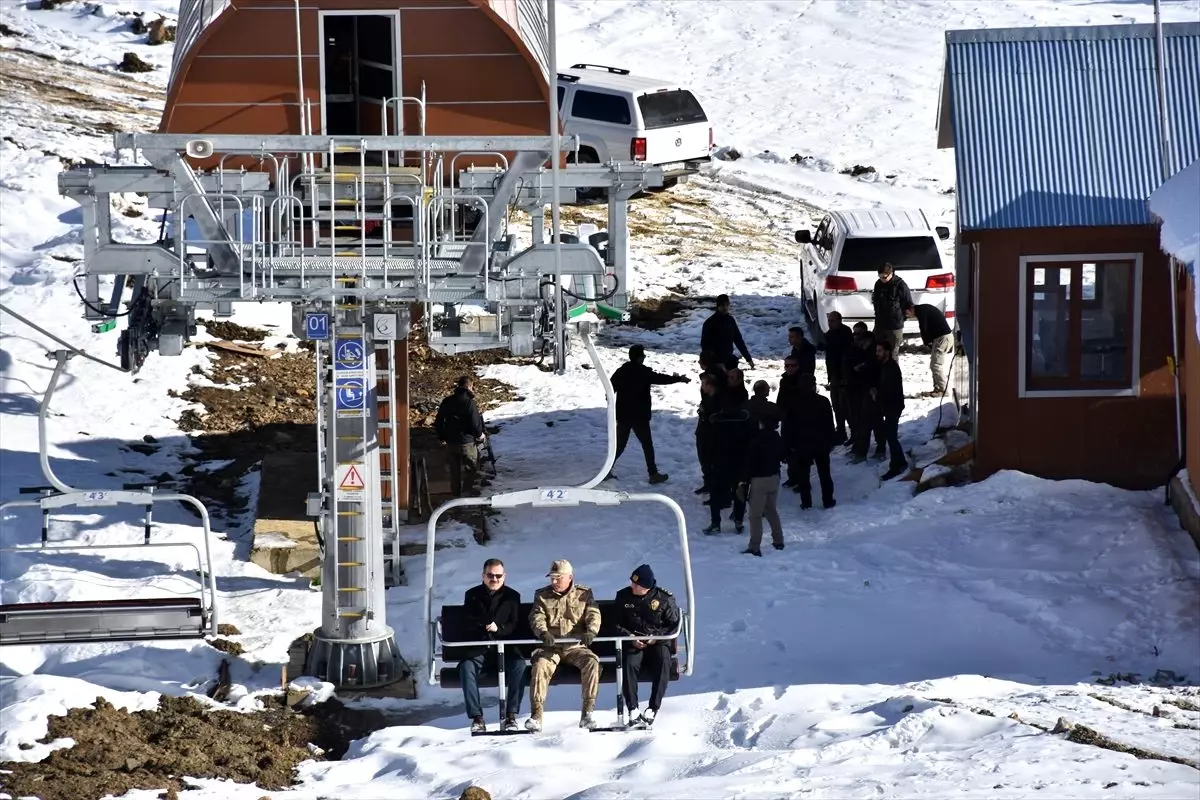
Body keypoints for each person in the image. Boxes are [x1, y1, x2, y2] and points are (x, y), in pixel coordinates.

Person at [526, 560, 601, 731]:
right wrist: (543, 632)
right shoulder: (542, 595)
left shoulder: (584, 594)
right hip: (551, 647)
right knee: (539, 665)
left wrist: (591, 631)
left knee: (592, 662)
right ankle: (536, 715)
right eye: (552, 578)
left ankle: (587, 713)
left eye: (558, 578)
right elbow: (536, 616)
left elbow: (593, 614)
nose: (553, 582)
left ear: (570, 577)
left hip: (576, 647)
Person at [458, 559, 528, 733]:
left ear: (504, 576)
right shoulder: (472, 595)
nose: (494, 579)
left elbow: (515, 624)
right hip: (481, 648)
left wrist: (500, 628)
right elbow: (468, 621)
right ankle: (477, 718)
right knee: (466, 667)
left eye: (498, 575)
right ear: (483, 576)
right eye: (490, 575)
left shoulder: (512, 597)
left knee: (519, 665)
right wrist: (484, 625)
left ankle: (511, 715)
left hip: (505, 648)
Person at [608, 344, 688, 484]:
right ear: (639, 358)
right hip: (639, 416)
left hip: (624, 414)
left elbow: (610, 387)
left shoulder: (622, 371)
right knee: (647, 444)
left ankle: (606, 470)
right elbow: (660, 379)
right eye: (643, 355)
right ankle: (653, 474)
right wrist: (679, 379)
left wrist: (609, 399)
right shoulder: (643, 372)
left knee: (620, 445)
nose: (644, 358)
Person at [613, 564, 680, 726]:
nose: (632, 586)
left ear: (647, 586)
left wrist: (656, 638)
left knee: (664, 661)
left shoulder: (664, 598)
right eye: (632, 582)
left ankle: (653, 707)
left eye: (637, 585)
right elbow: (615, 623)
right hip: (633, 641)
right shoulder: (623, 596)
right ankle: (633, 709)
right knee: (628, 663)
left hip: (657, 641)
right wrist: (629, 637)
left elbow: (674, 625)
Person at [737, 415, 786, 556]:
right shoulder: (777, 438)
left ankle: (754, 546)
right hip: (774, 478)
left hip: (759, 481)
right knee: (772, 510)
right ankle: (779, 540)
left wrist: (743, 481)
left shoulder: (756, 441)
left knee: (755, 515)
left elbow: (749, 464)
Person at [434, 375, 487, 497]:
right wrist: (479, 435)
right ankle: (467, 493)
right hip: (466, 442)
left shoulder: (447, 401)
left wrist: (441, 437)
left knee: (454, 472)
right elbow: (475, 423)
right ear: (469, 386)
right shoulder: (469, 403)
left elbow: (439, 421)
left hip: (451, 442)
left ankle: (455, 496)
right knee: (471, 468)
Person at [790, 373, 837, 509]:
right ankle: (827, 500)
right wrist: (830, 441)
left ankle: (806, 503)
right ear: (813, 386)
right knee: (824, 474)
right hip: (821, 444)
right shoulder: (823, 401)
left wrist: (791, 444)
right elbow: (829, 423)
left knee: (803, 476)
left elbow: (791, 425)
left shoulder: (795, 403)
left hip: (802, 444)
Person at [873, 340, 908, 480]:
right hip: (890, 405)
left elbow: (890, 390)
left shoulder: (891, 368)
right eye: (877, 351)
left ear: (887, 351)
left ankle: (896, 466)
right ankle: (900, 462)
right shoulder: (885, 366)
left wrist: (877, 395)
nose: (877, 354)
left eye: (880, 351)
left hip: (893, 406)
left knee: (891, 436)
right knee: (890, 436)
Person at [907, 304, 954, 396]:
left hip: (942, 338)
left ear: (911, 308)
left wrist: (926, 342)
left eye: (907, 313)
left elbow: (923, 328)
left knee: (936, 365)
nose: (907, 316)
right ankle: (937, 389)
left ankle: (943, 390)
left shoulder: (921, 312)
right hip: (943, 337)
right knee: (934, 364)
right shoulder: (923, 309)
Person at [700, 294, 754, 371]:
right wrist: (710, 364)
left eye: (727, 305)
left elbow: (738, 340)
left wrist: (748, 359)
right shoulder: (710, 323)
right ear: (718, 306)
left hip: (728, 361)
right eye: (722, 305)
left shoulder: (731, 321)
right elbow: (705, 346)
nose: (725, 307)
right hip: (715, 363)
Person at [823, 311, 854, 443]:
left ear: (839, 320)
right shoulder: (829, 335)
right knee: (836, 405)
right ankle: (841, 431)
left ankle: (852, 431)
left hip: (843, 375)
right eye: (829, 321)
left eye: (832, 321)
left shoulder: (845, 334)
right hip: (834, 374)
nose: (830, 324)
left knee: (845, 407)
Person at [870, 263, 913, 355]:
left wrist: (900, 319)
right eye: (880, 277)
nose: (882, 280)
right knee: (878, 353)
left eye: (884, 277)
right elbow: (875, 301)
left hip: (894, 327)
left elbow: (908, 304)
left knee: (892, 354)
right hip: (880, 324)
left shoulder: (900, 285)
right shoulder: (878, 284)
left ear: (891, 274)